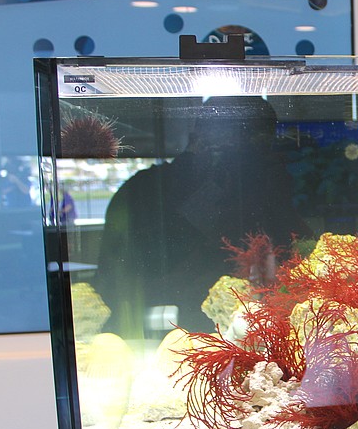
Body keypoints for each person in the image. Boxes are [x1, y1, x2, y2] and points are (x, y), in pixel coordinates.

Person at [95, 96, 312, 338]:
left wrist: (275, 195)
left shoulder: (256, 189)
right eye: (250, 147)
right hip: (170, 336)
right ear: (202, 142)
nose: (257, 157)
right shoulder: (144, 193)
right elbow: (146, 271)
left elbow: (300, 255)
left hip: (253, 332)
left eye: (263, 147)